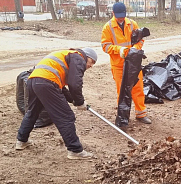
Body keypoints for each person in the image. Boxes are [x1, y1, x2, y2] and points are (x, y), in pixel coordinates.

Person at [15, 47, 98, 160]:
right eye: (92, 62)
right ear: (86, 57)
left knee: (33, 112)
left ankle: (21, 140)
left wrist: (73, 101)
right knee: (66, 116)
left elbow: (61, 87)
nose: (91, 65)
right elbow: (74, 84)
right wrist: (80, 102)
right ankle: (75, 150)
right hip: (46, 82)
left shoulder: (66, 56)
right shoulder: (78, 57)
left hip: (33, 80)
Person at [101, 2, 152, 131]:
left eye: (123, 16)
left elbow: (140, 39)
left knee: (138, 88)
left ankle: (141, 114)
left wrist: (136, 48)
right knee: (123, 92)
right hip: (118, 65)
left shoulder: (132, 24)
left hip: (134, 64)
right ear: (113, 14)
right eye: (118, 16)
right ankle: (123, 119)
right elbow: (105, 46)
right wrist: (120, 50)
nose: (121, 18)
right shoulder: (108, 28)